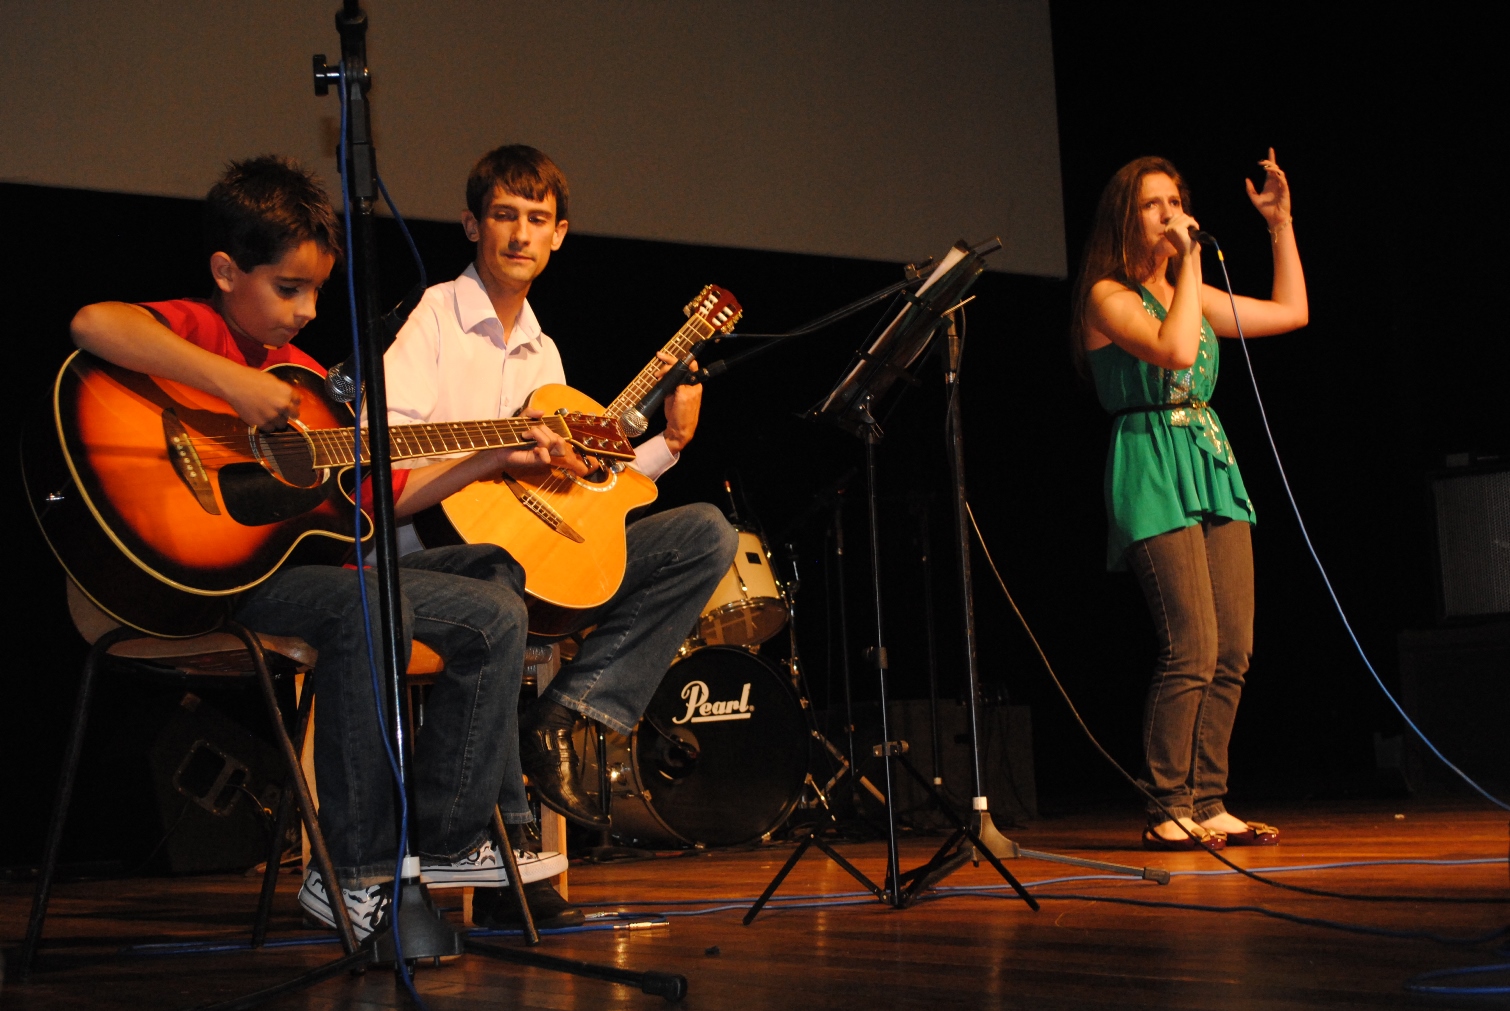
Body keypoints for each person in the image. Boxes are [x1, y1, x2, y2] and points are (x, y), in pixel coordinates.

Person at [68, 156, 566, 939]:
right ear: (227, 271)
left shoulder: (303, 382)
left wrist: (493, 454)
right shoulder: (208, 337)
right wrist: (231, 386)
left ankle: (450, 836)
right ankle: (353, 871)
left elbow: (382, 498)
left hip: (313, 572)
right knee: (368, 604)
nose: (306, 311)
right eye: (288, 288)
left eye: (317, 292)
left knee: (497, 601)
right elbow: (93, 325)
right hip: (219, 578)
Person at [382, 145, 739, 923]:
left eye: (536, 219)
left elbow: (581, 490)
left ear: (560, 235)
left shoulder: (546, 353)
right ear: (473, 225)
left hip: (519, 560)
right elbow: (386, 452)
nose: (519, 234)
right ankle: (512, 862)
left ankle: (574, 714)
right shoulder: (436, 316)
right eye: (504, 216)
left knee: (704, 534)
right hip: (423, 557)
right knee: (498, 572)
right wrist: (481, 460)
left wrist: (669, 445)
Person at [1071, 149, 1308, 850]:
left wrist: (1280, 227)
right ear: (1126, 218)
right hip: (1149, 461)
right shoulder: (1107, 297)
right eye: (1154, 205)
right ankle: (1166, 799)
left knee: (1234, 644)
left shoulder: (1190, 291)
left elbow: (1293, 312)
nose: (1171, 215)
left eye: (1176, 201)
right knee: (1191, 644)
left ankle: (1209, 798)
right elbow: (1175, 351)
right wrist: (1191, 261)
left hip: (1207, 458)